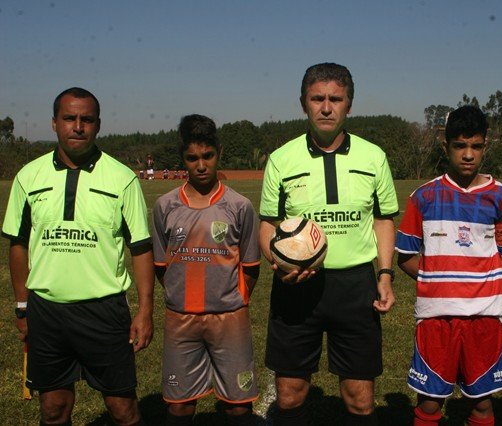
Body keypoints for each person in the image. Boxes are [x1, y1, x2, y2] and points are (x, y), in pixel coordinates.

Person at [2, 87, 154, 425]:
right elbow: (18, 244)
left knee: (123, 409)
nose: (78, 126)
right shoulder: (28, 177)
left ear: (98, 125)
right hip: (47, 312)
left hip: (104, 311)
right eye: (69, 118)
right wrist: (22, 306)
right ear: (54, 123)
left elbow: (141, 248)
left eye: (87, 119)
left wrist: (145, 311)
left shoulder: (122, 179)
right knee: (53, 409)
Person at [259, 62, 399, 426]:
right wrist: (278, 264)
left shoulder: (373, 157)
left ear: (349, 105)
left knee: (359, 400)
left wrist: (384, 275)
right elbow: (268, 224)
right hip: (296, 287)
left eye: (335, 99)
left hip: (355, 287)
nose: (325, 107)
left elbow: (383, 220)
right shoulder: (282, 159)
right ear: (303, 103)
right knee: (290, 395)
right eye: (317, 98)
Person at [395, 105, 502, 426]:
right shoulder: (423, 197)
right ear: (445, 146)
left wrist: (479, 281)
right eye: (460, 146)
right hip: (437, 317)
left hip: (484, 317)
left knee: (482, 404)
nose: (468, 155)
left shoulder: (500, 197)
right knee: (429, 404)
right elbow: (405, 256)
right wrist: (438, 279)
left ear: (485, 146)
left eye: (476, 146)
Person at [152, 114, 260, 426]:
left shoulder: (239, 206)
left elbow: (250, 267)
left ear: (219, 153)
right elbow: (161, 267)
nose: (201, 165)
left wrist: (232, 298)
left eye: (208, 156)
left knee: (238, 408)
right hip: (181, 319)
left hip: (229, 318)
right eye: (192, 158)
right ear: (183, 158)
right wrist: (181, 295)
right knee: (179, 407)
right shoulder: (165, 206)